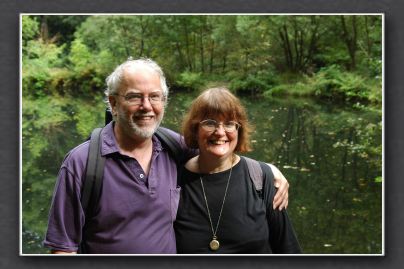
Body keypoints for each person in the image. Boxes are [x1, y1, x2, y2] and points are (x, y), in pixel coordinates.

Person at [43, 58, 290, 254]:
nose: (146, 106)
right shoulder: (82, 163)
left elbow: (218, 149)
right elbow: (64, 249)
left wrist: (267, 171)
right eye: (134, 96)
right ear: (113, 103)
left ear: (164, 101)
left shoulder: (173, 147)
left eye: (154, 96)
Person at [174, 87, 301, 254]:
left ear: (238, 130)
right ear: (195, 129)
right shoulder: (175, 179)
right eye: (210, 123)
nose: (220, 132)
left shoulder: (261, 179)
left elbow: (288, 250)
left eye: (229, 124)